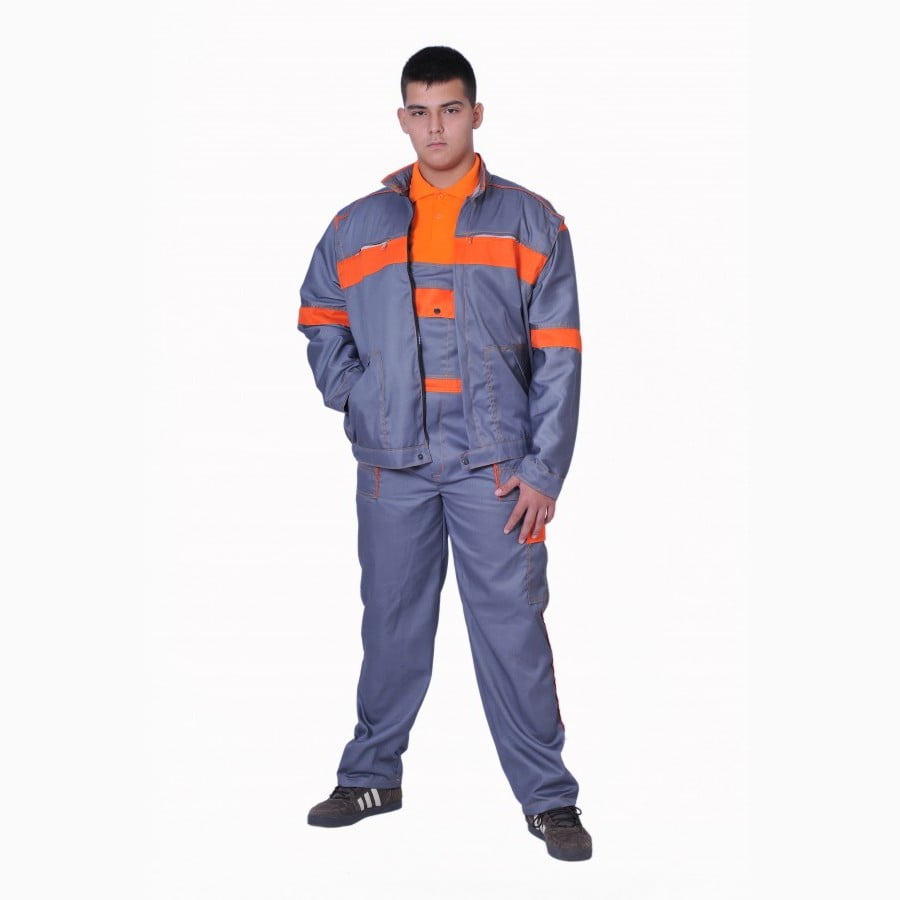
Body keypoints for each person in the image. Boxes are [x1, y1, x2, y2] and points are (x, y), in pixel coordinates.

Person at [296, 46, 589, 862]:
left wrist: (544, 469)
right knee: (390, 624)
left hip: (495, 466)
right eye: (421, 112)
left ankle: (549, 798)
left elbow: (560, 355)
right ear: (403, 119)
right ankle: (371, 777)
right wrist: (355, 393)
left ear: (475, 114)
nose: (436, 127)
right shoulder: (356, 225)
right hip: (392, 462)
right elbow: (319, 315)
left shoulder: (531, 222)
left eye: (450, 109)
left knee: (513, 633)